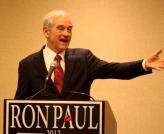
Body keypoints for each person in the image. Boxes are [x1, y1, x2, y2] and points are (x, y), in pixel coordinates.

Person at [14, 10, 164, 100]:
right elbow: (18, 107)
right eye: (61, 28)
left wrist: (144, 64)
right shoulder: (28, 65)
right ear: (46, 32)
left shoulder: (83, 59)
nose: (66, 34)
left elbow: (115, 69)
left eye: (70, 29)